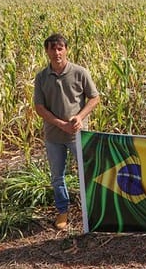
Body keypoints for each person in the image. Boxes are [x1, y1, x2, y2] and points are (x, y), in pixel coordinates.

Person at [34, 33, 100, 230]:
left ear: (66, 50)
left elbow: (94, 98)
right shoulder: (41, 77)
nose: (57, 53)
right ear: (47, 51)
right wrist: (60, 124)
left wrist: (79, 117)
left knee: (86, 173)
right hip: (54, 136)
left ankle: (91, 210)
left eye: (60, 48)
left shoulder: (80, 72)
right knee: (57, 176)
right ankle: (62, 210)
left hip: (77, 135)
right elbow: (39, 108)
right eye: (53, 49)